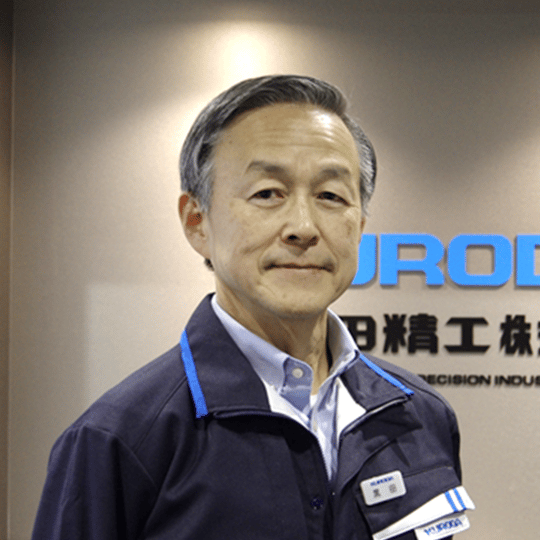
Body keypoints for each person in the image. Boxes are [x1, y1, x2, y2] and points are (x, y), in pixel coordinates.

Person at [32, 75, 474, 540]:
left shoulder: (418, 414)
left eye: (330, 196)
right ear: (197, 221)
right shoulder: (121, 439)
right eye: (267, 193)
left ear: (360, 225)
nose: (303, 227)